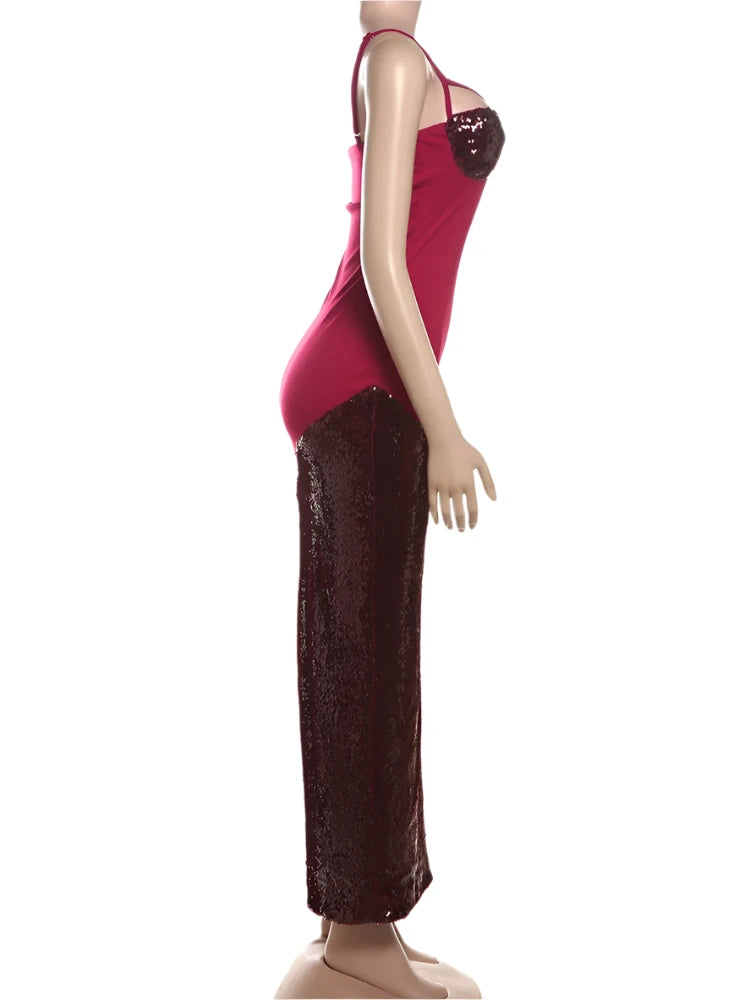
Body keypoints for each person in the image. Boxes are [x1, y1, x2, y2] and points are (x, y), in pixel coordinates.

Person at [276, 3, 505, 996]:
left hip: (375, 393)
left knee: (373, 656)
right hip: (361, 391)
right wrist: (444, 426)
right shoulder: (395, 59)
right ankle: (355, 941)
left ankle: (363, 922)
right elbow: (381, 262)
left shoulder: (399, 59)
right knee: (360, 662)